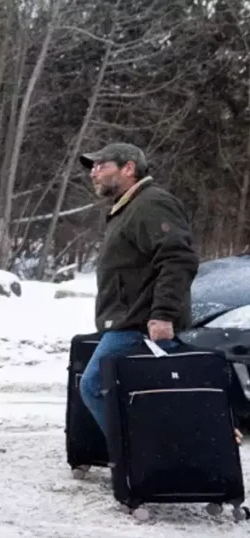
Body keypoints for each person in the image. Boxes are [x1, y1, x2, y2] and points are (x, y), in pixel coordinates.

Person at [76, 142, 200, 435]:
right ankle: (145, 458)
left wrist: (163, 314)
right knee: (135, 392)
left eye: (101, 166)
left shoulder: (151, 203)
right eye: (92, 167)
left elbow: (178, 258)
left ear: (128, 168)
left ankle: (140, 461)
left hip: (140, 322)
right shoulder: (129, 208)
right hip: (129, 319)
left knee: (94, 384)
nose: (93, 173)